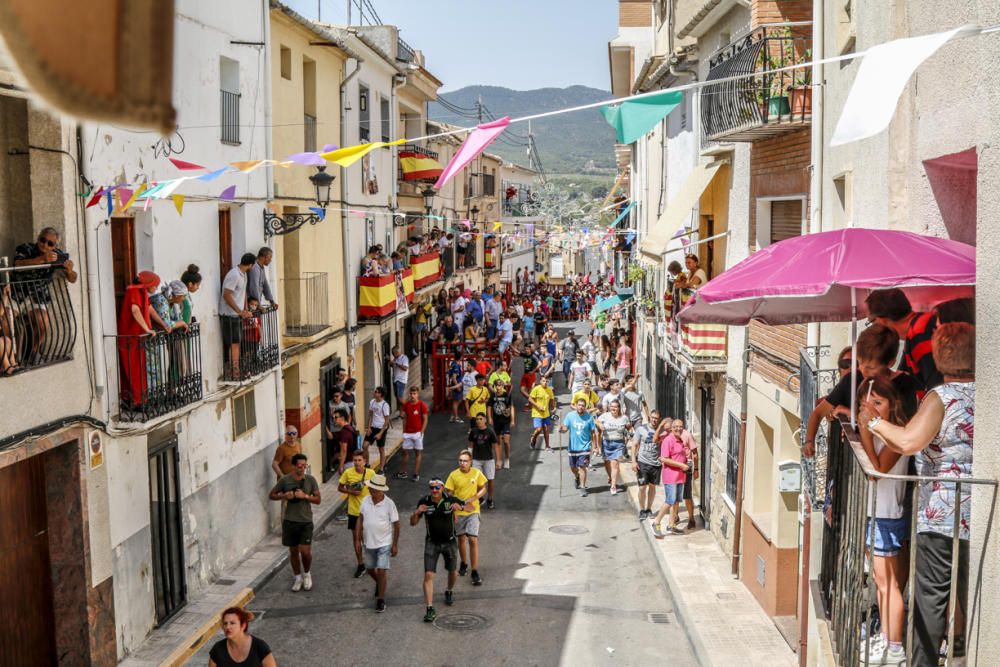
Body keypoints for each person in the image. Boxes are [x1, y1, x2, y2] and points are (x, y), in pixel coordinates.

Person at [866, 322, 974, 666]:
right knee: (969, 591)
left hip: (941, 515)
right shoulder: (987, 393)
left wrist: (874, 422)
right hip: (979, 511)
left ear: (941, 357)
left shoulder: (940, 398)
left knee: (931, 596)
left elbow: (911, 441)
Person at [855, 375, 911, 666]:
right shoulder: (881, 433)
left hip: (887, 515)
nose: (871, 408)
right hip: (876, 513)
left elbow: (878, 470)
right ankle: (887, 639)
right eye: (866, 403)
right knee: (880, 582)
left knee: (889, 584)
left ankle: (895, 647)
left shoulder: (897, 434)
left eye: (878, 402)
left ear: (892, 404)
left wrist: (866, 428)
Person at [804, 324, 919, 457]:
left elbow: (902, 430)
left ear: (890, 363)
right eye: (860, 363)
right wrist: (809, 441)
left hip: (891, 461)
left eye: (871, 367)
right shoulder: (852, 379)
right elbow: (818, 413)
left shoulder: (905, 385)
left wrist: (852, 415)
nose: (863, 370)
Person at [13, 227, 78, 362]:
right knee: (8, 319)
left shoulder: (57, 255)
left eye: (50, 243)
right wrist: (42, 259)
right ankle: (11, 358)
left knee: (43, 320)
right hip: (18, 294)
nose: (45, 244)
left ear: (55, 246)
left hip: (38, 296)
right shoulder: (25, 248)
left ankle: (33, 353)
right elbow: (18, 264)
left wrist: (70, 270)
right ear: (38, 238)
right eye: (43, 240)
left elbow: (73, 279)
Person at [865, 288, 942, 392]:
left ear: (882, 320)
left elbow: (937, 387)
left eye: (870, 321)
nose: (871, 327)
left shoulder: (920, 333)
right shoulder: (916, 330)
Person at [411, 477, 464, 622]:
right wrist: (416, 512)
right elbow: (413, 523)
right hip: (432, 543)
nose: (434, 490)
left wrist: (461, 508)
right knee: (428, 575)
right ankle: (429, 608)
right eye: (432, 488)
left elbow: (471, 507)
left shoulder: (450, 499)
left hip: (450, 542)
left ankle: (449, 590)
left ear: (442, 488)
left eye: (437, 488)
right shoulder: (424, 501)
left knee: (453, 572)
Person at [269, 453, 321, 591]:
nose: (303, 468)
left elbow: (318, 500)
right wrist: (284, 496)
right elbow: (272, 495)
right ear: (293, 466)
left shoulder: (310, 480)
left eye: (305, 466)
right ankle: (297, 577)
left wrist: (305, 496)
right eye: (300, 466)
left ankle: (307, 574)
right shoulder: (285, 480)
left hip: (306, 520)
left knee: (305, 552)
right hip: (290, 521)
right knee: (293, 551)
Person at [355, 473, 399, 613]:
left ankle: (380, 599)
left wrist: (395, 544)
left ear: (381, 490)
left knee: (381, 570)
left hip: (384, 543)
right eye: (370, 488)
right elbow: (360, 519)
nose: (370, 490)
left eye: (373, 489)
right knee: (370, 570)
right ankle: (380, 584)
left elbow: (397, 525)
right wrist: (357, 537)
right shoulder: (365, 500)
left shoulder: (389, 504)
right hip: (368, 542)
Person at [116, 271, 161, 407]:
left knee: (139, 368)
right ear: (149, 284)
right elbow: (135, 310)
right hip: (131, 336)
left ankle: (141, 399)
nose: (156, 288)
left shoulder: (143, 292)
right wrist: (147, 329)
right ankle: (136, 401)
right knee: (134, 369)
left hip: (138, 337)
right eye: (155, 285)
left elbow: (150, 310)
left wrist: (165, 325)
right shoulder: (134, 292)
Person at [445, 450, 488, 586]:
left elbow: (483, 488)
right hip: (459, 513)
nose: (462, 463)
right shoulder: (453, 475)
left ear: (470, 462)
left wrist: (475, 497)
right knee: (461, 539)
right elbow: (449, 493)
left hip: (473, 511)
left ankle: (474, 571)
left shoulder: (476, 473)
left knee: (473, 539)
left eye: (465, 461)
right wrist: (455, 504)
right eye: (460, 461)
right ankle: (464, 563)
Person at [338, 451, 374, 579]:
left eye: (359, 460)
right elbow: (340, 488)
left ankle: (371, 562)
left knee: (369, 539)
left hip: (369, 512)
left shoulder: (371, 473)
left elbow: (377, 490)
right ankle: (360, 564)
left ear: (364, 461)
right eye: (355, 460)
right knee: (356, 539)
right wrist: (350, 491)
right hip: (354, 512)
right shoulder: (348, 473)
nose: (357, 463)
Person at [220, 253, 256, 378]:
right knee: (234, 343)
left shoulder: (243, 274)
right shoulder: (234, 275)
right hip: (230, 315)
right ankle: (234, 370)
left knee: (237, 342)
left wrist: (245, 309)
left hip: (237, 315)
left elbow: (242, 293)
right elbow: (226, 294)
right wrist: (239, 311)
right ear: (251, 265)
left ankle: (235, 368)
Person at [652, 421, 690, 537]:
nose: (679, 429)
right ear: (672, 428)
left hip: (680, 476)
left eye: (681, 427)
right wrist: (682, 465)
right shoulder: (668, 440)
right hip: (671, 476)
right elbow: (664, 458)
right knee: (670, 500)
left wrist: (686, 462)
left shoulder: (681, 440)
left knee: (676, 501)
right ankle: (656, 522)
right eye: (676, 427)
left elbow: (679, 456)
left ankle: (671, 525)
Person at [208, 607, 275, 667]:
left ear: (243, 625)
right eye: (225, 623)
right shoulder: (217, 649)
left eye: (232, 623)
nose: (228, 627)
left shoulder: (260, 647)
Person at [631, 411, 666, 519]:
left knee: (652, 487)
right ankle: (642, 510)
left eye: (657, 418)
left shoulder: (662, 432)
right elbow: (635, 445)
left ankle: (649, 508)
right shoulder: (641, 429)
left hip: (655, 463)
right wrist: (633, 461)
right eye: (653, 418)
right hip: (643, 462)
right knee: (642, 487)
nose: (654, 420)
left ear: (659, 419)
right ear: (649, 417)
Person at [560, 399, 598, 497]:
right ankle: (577, 477)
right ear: (575, 405)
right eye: (579, 405)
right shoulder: (570, 416)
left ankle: (582, 487)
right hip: (573, 446)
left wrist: (595, 446)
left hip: (585, 447)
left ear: (585, 407)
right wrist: (561, 429)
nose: (581, 407)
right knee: (573, 467)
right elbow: (565, 429)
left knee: (582, 467)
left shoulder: (589, 417)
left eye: (583, 405)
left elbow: (593, 433)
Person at [596, 399, 630, 494]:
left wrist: (628, 433)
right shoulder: (605, 416)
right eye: (611, 406)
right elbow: (597, 421)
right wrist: (600, 425)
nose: (613, 408)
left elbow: (628, 426)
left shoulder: (624, 418)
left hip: (619, 443)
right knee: (607, 463)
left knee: (614, 464)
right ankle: (611, 477)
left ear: (619, 408)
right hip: (606, 442)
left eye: (615, 407)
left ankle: (613, 485)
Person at [398, 386, 429, 481]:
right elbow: (403, 417)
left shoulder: (421, 405)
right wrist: (403, 431)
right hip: (407, 433)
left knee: (417, 453)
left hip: (417, 433)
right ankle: (403, 472)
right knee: (404, 452)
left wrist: (421, 432)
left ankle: (416, 474)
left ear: (418, 394)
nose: (412, 395)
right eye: (411, 393)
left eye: (414, 393)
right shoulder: (406, 405)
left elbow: (425, 419)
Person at [468, 414, 499, 509]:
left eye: (480, 419)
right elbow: (470, 445)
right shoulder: (473, 431)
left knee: (490, 479)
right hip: (476, 459)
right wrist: (469, 459)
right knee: (476, 481)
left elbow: (495, 446)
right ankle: (479, 497)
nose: (478, 421)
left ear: (485, 420)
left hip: (488, 459)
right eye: (477, 419)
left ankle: (490, 499)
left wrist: (498, 460)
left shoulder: (490, 431)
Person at [488, 379, 515, 470]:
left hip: (505, 422)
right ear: (495, 387)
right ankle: (498, 460)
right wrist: (490, 418)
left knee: (506, 441)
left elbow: (511, 407)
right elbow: (489, 408)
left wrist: (512, 420)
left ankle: (507, 458)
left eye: (500, 386)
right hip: (496, 422)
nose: (498, 387)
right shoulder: (492, 396)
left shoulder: (506, 395)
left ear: (503, 386)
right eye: (497, 386)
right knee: (498, 442)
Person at [365, 387, 391, 473]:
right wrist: (368, 427)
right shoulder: (372, 402)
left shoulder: (385, 405)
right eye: (375, 391)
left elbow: (387, 420)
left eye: (376, 392)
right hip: (372, 427)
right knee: (364, 446)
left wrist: (380, 433)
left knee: (381, 449)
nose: (374, 392)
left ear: (381, 394)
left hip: (381, 428)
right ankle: (367, 464)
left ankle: (381, 468)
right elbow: (370, 415)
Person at [528, 374, 556, 451]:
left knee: (546, 430)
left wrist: (554, 407)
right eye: (543, 381)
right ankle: (533, 437)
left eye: (546, 381)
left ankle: (547, 446)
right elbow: (530, 399)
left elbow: (552, 399)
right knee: (539, 429)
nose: (545, 383)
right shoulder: (536, 389)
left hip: (546, 413)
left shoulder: (549, 390)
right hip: (537, 413)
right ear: (540, 381)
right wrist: (537, 406)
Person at [391, 346, 409, 418]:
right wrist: (391, 363)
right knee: (397, 398)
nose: (393, 355)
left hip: (401, 380)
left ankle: (410, 408)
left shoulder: (404, 358)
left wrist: (396, 363)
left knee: (400, 398)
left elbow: (405, 368)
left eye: (394, 353)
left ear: (397, 352)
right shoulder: (395, 358)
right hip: (395, 380)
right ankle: (401, 414)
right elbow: (393, 366)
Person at [446, 353, 464, 423]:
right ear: (460, 357)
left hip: (456, 384)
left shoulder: (453, 363)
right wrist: (457, 387)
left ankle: (453, 416)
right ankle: (456, 417)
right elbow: (454, 378)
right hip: (456, 385)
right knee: (456, 402)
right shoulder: (456, 365)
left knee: (456, 401)